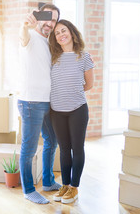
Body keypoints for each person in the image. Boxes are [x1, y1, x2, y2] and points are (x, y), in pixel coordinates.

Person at [18, 3, 61, 204]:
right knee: (29, 148)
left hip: (47, 102)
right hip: (31, 102)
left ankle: (48, 181)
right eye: (47, 17)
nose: (50, 23)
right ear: (39, 17)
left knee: (52, 141)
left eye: (54, 20)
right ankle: (28, 189)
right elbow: (23, 38)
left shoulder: (49, 42)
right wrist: (24, 26)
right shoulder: (31, 37)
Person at [48, 19, 94, 204]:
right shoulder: (53, 57)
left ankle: (74, 187)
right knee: (64, 150)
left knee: (77, 148)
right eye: (57, 33)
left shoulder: (83, 56)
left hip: (77, 110)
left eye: (63, 30)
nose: (61, 35)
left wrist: (71, 92)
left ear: (72, 33)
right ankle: (65, 185)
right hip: (56, 111)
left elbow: (89, 84)